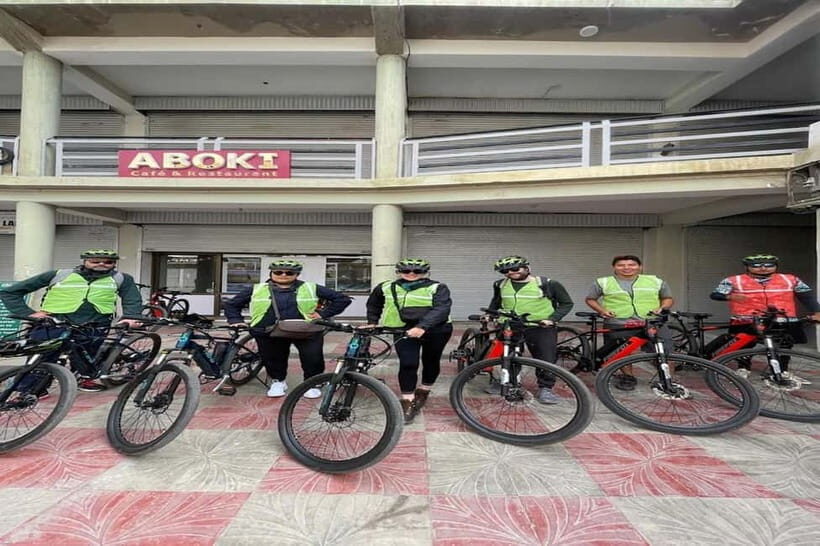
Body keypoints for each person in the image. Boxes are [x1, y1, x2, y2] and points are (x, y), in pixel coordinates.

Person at [0, 249, 143, 391]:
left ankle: (84, 379)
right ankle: (30, 390)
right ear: (84, 261)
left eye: (108, 262)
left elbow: (132, 300)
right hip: (53, 323)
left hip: (95, 324)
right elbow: (10, 292)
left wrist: (131, 317)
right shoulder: (59, 275)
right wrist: (29, 313)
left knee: (88, 357)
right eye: (95, 261)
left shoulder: (122, 278)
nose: (102, 264)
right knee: (42, 358)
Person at [223, 259, 351, 398]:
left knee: (313, 358)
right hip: (268, 331)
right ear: (271, 273)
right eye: (278, 272)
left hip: (306, 331)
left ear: (297, 274)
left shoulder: (310, 287)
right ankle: (278, 381)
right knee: (272, 358)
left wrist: (322, 314)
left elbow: (342, 299)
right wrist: (236, 321)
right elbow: (232, 304)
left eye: (289, 272)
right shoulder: (257, 289)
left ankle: (312, 383)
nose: (283, 275)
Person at [364, 258, 453, 423]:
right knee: (408, 363)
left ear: (426, 273)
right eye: (406, 271)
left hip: (436, 330)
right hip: (402, 329)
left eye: (417, 272)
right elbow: (374, 304)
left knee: (431, 360)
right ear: (398, 272)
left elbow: (442, 308)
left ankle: (424, 391)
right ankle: (408, 400)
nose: (411, 274)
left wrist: (422, 327)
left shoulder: (438, 287)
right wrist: (372, 322)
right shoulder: (385, 287)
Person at [709, 253, 820, 376]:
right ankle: (743, 368)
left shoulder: (790, 279)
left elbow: (806, 296)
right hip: (746, 319)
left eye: (769, 265)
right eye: (756, 265)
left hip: (782, 319)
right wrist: (730, 296)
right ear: (747, 267)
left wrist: (817, 312)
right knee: (744, 345)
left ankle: (782, 371)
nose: (763, 268)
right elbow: (715, 295)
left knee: (784, 345)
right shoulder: (733, 280)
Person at [486, 255, 574, 404]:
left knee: (546, 357)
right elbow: (496, 302)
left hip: (539, 326)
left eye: (515, 268)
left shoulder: (548, 284)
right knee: (507, 355)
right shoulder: (499, 284)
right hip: (510, 325)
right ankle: (508, 381)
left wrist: (552, 319)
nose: (510, 272)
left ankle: (546, 388)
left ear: (527, 268)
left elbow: (566, 303)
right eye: (505, 271)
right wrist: (490, 314)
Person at [584, 254, 674, 391]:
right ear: (614, 267)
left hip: (653, 322)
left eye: (631, 265)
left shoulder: (654, 281)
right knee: (621, 353)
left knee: (666, 351)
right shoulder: (603, 282)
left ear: (640, 267)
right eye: (621, 265)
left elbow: (667, 298)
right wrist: (602, 311)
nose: (626, 268)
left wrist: (662, 308)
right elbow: (591, 299)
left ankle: (668, 380)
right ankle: (628, 377)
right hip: (619, 322)